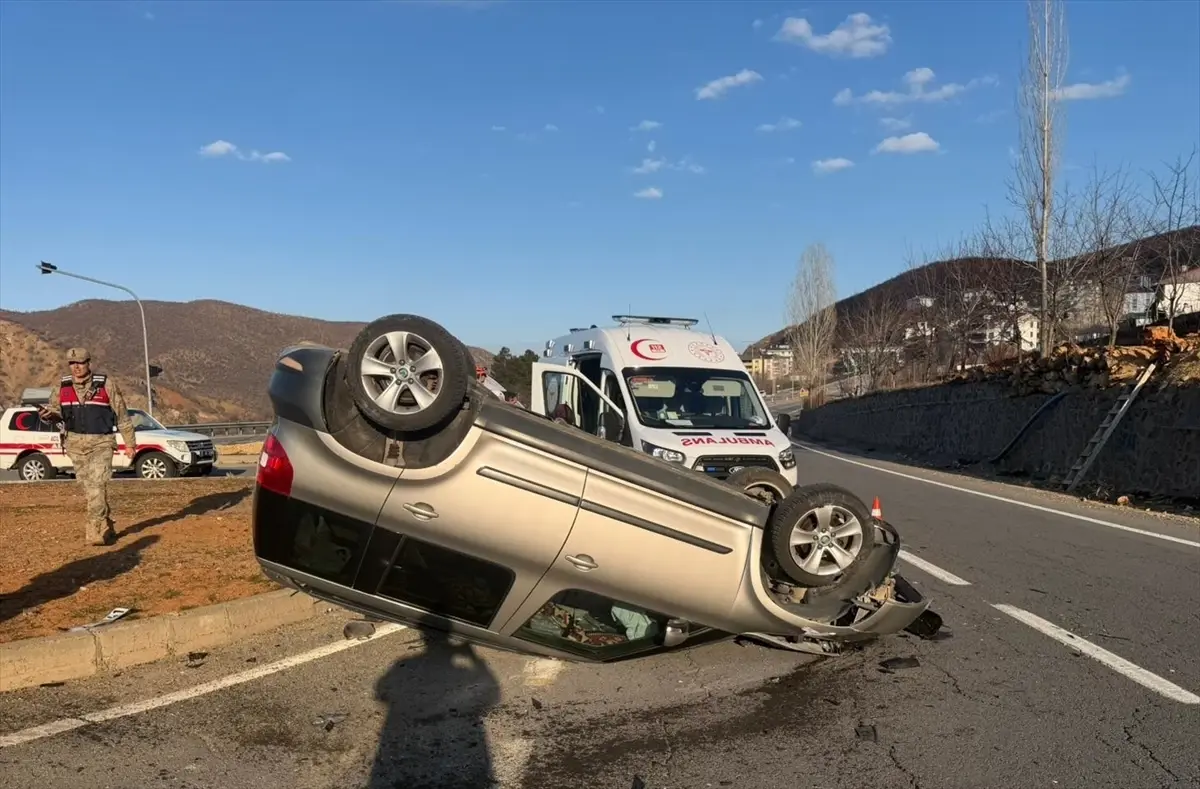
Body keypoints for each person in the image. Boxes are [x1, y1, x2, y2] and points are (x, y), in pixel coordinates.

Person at [37, 347, 137, 546]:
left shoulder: (106, 385)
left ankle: (94, 529)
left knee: (97, 485)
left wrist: (130, 444)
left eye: (80, 363)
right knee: (89, 487)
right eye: (72, 364)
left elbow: (122, 416)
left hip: (101, 442)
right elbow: (56, 414)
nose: (76, 367)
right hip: (75, 444)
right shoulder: (61, 387)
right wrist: (47, 415)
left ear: (88, 363)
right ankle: (107, 523)